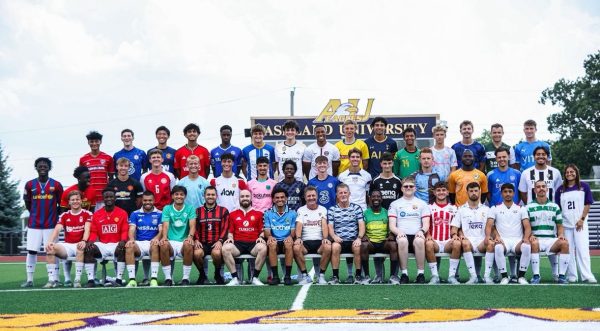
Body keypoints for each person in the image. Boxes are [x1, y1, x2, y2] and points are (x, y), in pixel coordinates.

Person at [22, 157, 63, 288]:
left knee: (52, 251)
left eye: (45, 166)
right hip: (34, 224)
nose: (43, 168)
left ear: (49, 168)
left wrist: (55, 216)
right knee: (31, 251)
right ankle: (29, 280)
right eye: (40, 166)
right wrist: (34, 213)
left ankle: (55, 279)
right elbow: (27, 202)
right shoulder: (29, 185)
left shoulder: (56, 184)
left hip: (51, 224)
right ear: (36, 168)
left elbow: (61, 204)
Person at [555, 164, 597, 283]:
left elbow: (587, 204)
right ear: (564, 174)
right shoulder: (560, 189)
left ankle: (587, 275)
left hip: (580, 224)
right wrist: (560, 227)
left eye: (572, 172)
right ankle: (572, 276)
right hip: (566, 225)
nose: (569, 174)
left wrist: (582, 219)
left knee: (582, 249)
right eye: (567, 172)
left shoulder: (584, 186)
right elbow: (558, 208)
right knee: (568, 250)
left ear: (576, 172)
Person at [81, 189, 129, 287]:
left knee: (123, 248)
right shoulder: (97, 214)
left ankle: (119, 280)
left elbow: (124, 230)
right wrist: (90, 241)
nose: (109, 199)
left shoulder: (122, 213)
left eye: (111, 196)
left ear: (115, 198)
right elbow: (94, 231)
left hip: (116, 244)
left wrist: (123, 240)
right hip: (102, 245)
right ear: (103, 199)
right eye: (106, 197)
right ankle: (91, 280)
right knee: (89, 249)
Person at [450, 182, 496, 284]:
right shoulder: (461, 210)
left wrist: (495, 236)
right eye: (471, 191)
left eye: (476, 190)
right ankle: (473, 276)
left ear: (480, 191)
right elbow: (454, 228)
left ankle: (487, 277)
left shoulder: (487, 209)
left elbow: (492, 228)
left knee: (491, 244)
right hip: (468, 241)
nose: (474, 193)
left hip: (482, 241)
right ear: (467, 192)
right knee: (465, 243)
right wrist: (455, 235)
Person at [44, 190, 91, 288]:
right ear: (69, 202)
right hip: (68, 245)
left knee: (80, 247)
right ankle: (51, 280)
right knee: (50, 248)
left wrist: (83, 241)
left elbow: (87, 230)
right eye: (72, 200)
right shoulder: (64, 215)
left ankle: (77, 280)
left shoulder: (88, 214)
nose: (75, 201)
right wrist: (50, 242)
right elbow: (57, 230)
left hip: (81, 243)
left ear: (81, 201)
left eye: (77, 199)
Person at [486, 183, 532, 285]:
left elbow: (527, 227)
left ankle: (521, 277)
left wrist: (525, 238)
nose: (508, 194)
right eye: (505, 192)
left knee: (527, 246)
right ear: (501, 193)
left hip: (517, 241)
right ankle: (504, 277)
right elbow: (490, 225)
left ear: (514, 193)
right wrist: (491, 237)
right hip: (503, 241)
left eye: (510, 192)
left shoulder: (521, 208)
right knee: (497, 247)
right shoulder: (495, 208)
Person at [388, 177, 431, 284]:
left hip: (417, 234)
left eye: (411, 186)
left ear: (415, 188)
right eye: (405, 186)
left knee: (420, 241)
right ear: (401, 188)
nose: (408, 188)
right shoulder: (395, 204)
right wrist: (399, 232)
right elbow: (392, 226)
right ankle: (404, 274)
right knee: (402, 241)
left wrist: (421, 231)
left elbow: (426, 224)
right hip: (402, 234)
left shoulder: (422, 203)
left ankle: (420, 274)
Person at [527, 180, 570, 284]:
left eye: (543, 186)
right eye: (538, 187)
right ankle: (536, 276)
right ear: (535, 190)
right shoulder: (528, 207)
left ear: (547, 189)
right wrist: (531, 235)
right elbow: (526, 227)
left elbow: (560, 225)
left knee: (564, 243)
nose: (541, 188)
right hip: (536, 239)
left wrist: (560, 235)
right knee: (534, 243)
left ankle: (561, 276)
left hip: (551, 240)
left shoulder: (555, 207)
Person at [222, 189, 267, 286]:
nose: (245, 198)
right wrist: (230, 238)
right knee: (225, 248)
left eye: (247, 196)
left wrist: (261, 237)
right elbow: (231, 231)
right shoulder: (233, 214)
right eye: (242, 197)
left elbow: (262, 230)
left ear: (251, 198)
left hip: (253, 243)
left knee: (263, 248)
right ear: (239, 199)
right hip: (238, 244)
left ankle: (255, 278)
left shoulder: (258, 214)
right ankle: (235, 278)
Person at [158, 186, 197, 286]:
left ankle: (185, 278)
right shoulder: (167, 208)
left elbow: (192, 225)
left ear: (185, 196)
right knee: (163, 245)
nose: (179, 196)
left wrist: (190, 236)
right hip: (171, 241)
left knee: (189, 244)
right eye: (176, 194)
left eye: (181, 194)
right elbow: (165, 225)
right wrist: (164, 237)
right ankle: (168, 278)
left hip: (183, 242)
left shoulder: (190, 208)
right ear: (172, 196)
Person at [425, 182, 463, 284]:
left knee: (457, 243)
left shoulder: (454, 208)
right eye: (438, 190)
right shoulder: (428, 208)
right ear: (434, 192)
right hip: (435, 241)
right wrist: (428, 235)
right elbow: (425, 224)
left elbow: (458, 226)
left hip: (448, 241)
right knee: (428, 244)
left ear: (447, 192)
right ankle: (435, 276)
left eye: (443, 190)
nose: (441, 192)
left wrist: (457, 235)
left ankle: (452, 276)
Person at [327, 183, 365, 284]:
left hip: (353, 240)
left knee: (357, 247)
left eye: (345, 192)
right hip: (339, 240)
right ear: (337, 195)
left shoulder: (356, 208)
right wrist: (334, 236)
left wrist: (359, 238)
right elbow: (330, 227)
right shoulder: (332, 210)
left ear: (349, 194)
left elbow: (361, 225)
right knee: (334, 247)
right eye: (340, 193)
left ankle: (358, 276)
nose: (343, 195)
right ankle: (335, 276)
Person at [293, 186, 332, 285]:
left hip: (319, 242)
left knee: (328, 246)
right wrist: (298, 238)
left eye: (313, 195)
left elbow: (324, 224)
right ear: (305, 198)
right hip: (306, 242)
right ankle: (305, 276)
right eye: (309, 196)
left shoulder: (323, 209)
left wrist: (325, 238)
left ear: (317, 196)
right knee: (296, 248)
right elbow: (299, 225)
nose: (311, 198)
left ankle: (321, 276)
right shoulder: (301, 210)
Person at [360, 190, 400, 284]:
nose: (376, 198)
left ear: (381, 199)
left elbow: (392, 226)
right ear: (370, 199)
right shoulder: (365, 213)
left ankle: (393, 277)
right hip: (371, 243)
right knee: (363, 246)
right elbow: (361, 227)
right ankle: (366, 277)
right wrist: (364, 235)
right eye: (373, 196)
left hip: (384, 241)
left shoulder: (387, 212)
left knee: (394, 245)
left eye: (378, 196)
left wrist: (391, 234)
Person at [124, 191, 162, 287]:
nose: (147, 202)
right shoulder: (135, 214)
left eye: (150, 200)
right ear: (142, 201)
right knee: (129, 246)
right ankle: (132, 280)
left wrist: (156, 238)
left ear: (154, 200)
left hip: (152, 242)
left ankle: (153, 279)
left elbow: (162, 230)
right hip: (139, 243)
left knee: (155, 245)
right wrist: (131, 239)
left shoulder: (160, 213)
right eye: (145, 200)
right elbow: (132, 229)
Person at [192, 186, 229, 285]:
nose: (210, 196)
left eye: (213, 194)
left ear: (216, 196)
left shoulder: (223, 210)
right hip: (202, 242)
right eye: (208, 194)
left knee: (216, 254)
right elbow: (194, 227)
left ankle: (217, 274)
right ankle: (202, 275)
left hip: (216, 241)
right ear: (204, 196)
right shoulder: (197, 211)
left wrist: (220, 240)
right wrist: (196, 240)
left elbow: (225, 228)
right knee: (196, 254)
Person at [264, 188, 297, 285]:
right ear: (273, 200)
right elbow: (266, 231)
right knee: (272, 244)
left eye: (282, 197)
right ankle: (275, 277)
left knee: (288, 244)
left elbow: (293, 231)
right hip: (275, 241)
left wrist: (290, 237)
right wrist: (269, 237)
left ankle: (287, 276)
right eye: (277, 198)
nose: (280, 199)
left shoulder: (293, 213)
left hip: (286, 240)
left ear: (286, 198)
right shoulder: (268, 213)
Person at [80, 131, 114, 208]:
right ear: (88, 142)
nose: (94, 143)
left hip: (104, 198)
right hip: (89, 197)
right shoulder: (83, 159)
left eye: (96, 141)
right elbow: (81, 179)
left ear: (100, 142)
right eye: (91, 141)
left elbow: (111, 178)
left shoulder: (108, 158)